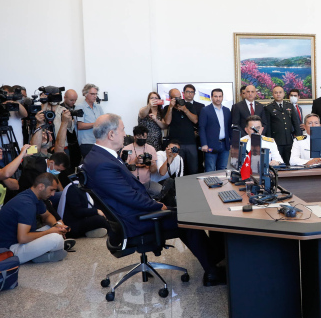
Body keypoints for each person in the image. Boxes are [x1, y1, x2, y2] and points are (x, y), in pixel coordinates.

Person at [83, 114, 225, 285]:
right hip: (134, 221)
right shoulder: (102, 164)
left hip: (131, 214)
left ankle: (215, 258)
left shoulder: (99, 157)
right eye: (122, 130)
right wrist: (156, 206)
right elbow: (129, 197)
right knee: (187, 220)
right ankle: (213, 272)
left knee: (182, 213)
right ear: (111, 134)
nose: (125, 134)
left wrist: (155, 204)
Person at [0, 173, 68, 264]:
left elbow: (47, 215)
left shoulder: (34, 197)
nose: (53, 194)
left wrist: (56, 226)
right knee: (56, 238)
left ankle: (40, 254)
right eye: (51, 190)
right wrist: (49, 232)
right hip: (9, 250)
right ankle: (40, 254)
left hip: (21, 242)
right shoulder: (26, 203)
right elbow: (23, 238)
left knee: (57, 227)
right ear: (41, 186)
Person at [163, 86, 203, 176]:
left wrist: (185, 110)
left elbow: (195, 120)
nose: (179, 100)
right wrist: (170, 107)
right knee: (178, 169)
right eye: (176, 98)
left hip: (190, 142)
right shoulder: (167, 108)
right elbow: (167, 122)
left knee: (193, 169)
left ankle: (194, 184)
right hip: (176, 143)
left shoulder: (188, 105)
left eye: (180, 97)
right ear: (171, 98)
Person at [264, 85, 301, 165]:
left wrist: (299, 137)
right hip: (276, 140)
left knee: (289, 162)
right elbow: (268, 125)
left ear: (283, 94)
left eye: (280, 92)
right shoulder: (268, 107)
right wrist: (269, 140)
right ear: (273, 94)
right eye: (276, 93)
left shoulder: (289, 106)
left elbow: (295, 122)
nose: (278, 94)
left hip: (289, 140)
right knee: (278, 162)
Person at [122, 125, 161, 196]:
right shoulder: (126, 149)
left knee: (161, 190)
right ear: (134, 136)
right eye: (139, 136)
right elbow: (123, 168)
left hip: (146, 183)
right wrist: (135, 161)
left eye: (144, 137)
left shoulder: (151, 149)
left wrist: (152, 164)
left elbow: (153, 171)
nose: (142, 138)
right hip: (130, 183)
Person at [199, 88, 232, 171]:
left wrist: (231, 142)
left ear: (222, 97)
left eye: (220, 96)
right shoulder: (205, 110)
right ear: (211, 97)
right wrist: (204, 144)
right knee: (210, 169)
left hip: (224, 145)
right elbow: (202, 128)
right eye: (216, 96)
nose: (218, 98)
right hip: (210, 145)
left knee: (222, 169)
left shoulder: (227, 110)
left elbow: (229, 128)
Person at [76, 83, 105, 158]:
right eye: (92, 94)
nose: (95, 96)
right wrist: (96, 123)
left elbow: (103, 122)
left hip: (99, 141)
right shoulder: (80, 107)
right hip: (86, 142)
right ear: (85, 94)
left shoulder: (98, 107)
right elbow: (80, 126)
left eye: (96, 94)